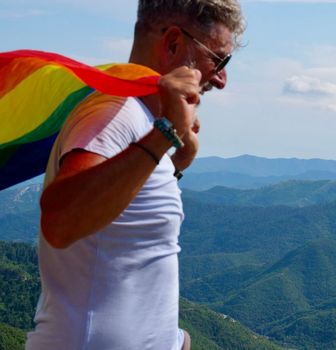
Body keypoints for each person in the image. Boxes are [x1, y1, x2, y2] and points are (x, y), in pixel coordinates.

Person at [26, 1, 245, 349]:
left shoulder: (140, 121)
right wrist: (166, 132)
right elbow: (60, 222)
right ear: (173, 43)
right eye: (218, 60)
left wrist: (177, 161)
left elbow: (126, 220)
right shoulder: (113, 113)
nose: (220, 79)